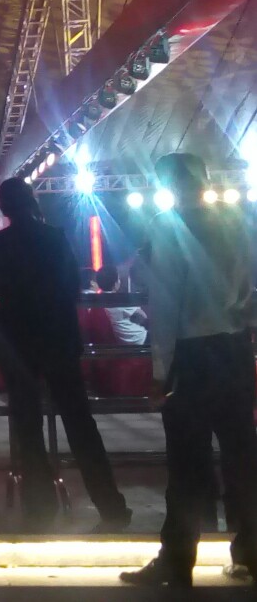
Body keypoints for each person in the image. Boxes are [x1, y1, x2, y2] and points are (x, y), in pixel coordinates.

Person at [121, 154, 257, 588]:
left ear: (169, 184)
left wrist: (160, 372)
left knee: (186, 463)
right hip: (234, 350)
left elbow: (165, 305)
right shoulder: (237, 219)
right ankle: (251, 552)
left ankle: (178, 561)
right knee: (242, 457)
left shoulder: (168, 225)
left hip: (192, 357)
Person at [0, 177, 130, 532]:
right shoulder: (55, 237)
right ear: (32, 201)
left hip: (18, 343)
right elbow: (73, 287)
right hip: (58, 340)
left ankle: (40, 508)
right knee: (80, 424)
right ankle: (110, 506)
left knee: (28, 428)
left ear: (4, 207)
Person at [95, 265, 148, 345]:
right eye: (118, 279)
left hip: (120, 341)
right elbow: (143, 317)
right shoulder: (120, 300)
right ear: (115, 284)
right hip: (138, 339)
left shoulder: (98, 299)